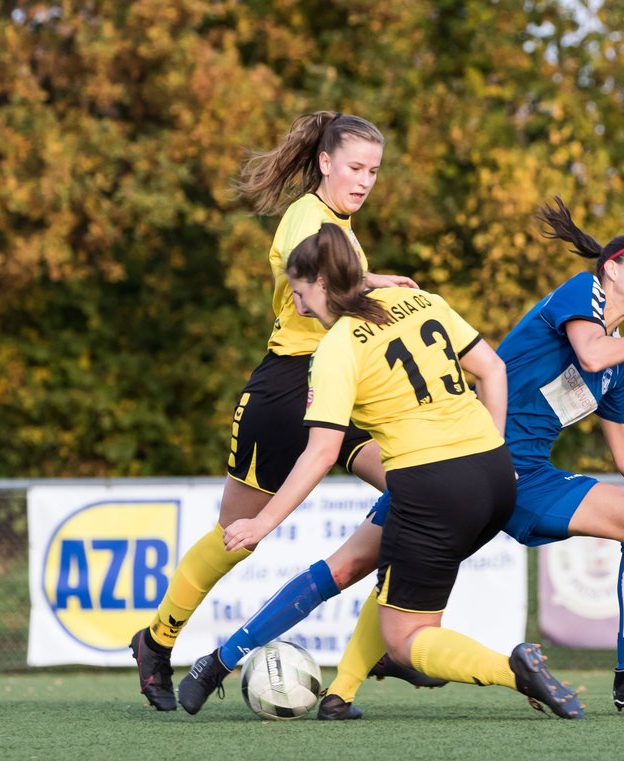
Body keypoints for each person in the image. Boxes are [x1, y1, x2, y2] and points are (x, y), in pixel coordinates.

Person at [186, 223, 583, 719]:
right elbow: (494, 370)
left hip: (432, 484)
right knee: (369, 569)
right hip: (493, 476)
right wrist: (495, 447)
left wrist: (261, 523)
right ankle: (338, 693)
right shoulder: (425, 302)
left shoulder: (336, 348)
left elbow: (320, 452)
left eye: (300, 289)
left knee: (407, 639)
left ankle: (515, 669)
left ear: (324, 286)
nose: (296, 301)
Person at [129, 111, 429, 712]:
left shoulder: (342, 224)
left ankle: (391, 645)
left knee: (419, 494)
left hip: (346, 382)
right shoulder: (306, 215)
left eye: (374, 170)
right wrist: (373, 283)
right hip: (287, 389)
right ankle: (157, 641)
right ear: (324, 163)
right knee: (237, 538)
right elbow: (314, 271)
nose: (365, 180)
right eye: (354, 167)